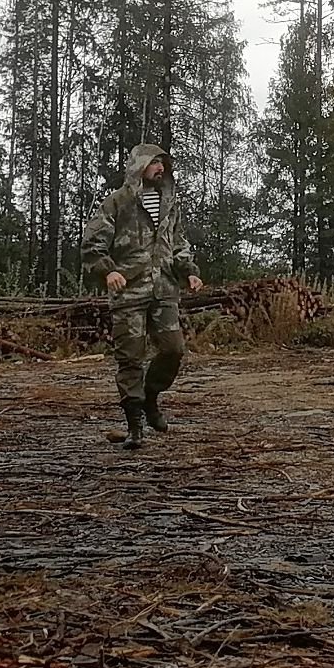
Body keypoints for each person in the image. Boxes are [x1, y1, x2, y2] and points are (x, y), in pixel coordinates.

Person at [79, 141, 203, 450]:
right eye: (154, 163)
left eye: (163, 164)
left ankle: (150, 396)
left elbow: (178, 242)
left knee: (173, 349)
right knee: (129, 358)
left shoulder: (169, 203)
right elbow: (92, 244)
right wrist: (108, 270)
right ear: (139, 166)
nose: (161, 169)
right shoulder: (117, 203)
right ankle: (134, 426)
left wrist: (188, 269)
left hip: (164, 289)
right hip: (129, 292)